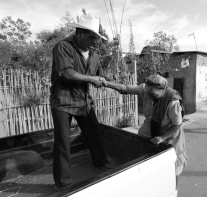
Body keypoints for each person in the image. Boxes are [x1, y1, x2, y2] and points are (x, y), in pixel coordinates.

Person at [50, 15, 112, 190]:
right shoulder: (63, 46)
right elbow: (65, 73)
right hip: (63, 101)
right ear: (78, 33)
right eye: (91, 37)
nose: (94, 42)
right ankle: (63, 183)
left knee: (94, 132)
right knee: (62, 142)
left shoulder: (94, 54)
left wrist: (113, 82)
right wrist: (92, 79)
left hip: (84, 102)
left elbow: (100, 74)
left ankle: (100, 163)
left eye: (96, 38)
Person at [103, 74, 188, 178]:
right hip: (150, 133)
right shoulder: (146, 90)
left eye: (154, 95)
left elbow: (177, 124)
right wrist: (106, 83)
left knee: (171, 168)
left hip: (169, 136)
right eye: (148, 94)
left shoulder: (172, 101)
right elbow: (125, 88)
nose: (150, 97)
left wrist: (162, 137)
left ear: (163, 90)